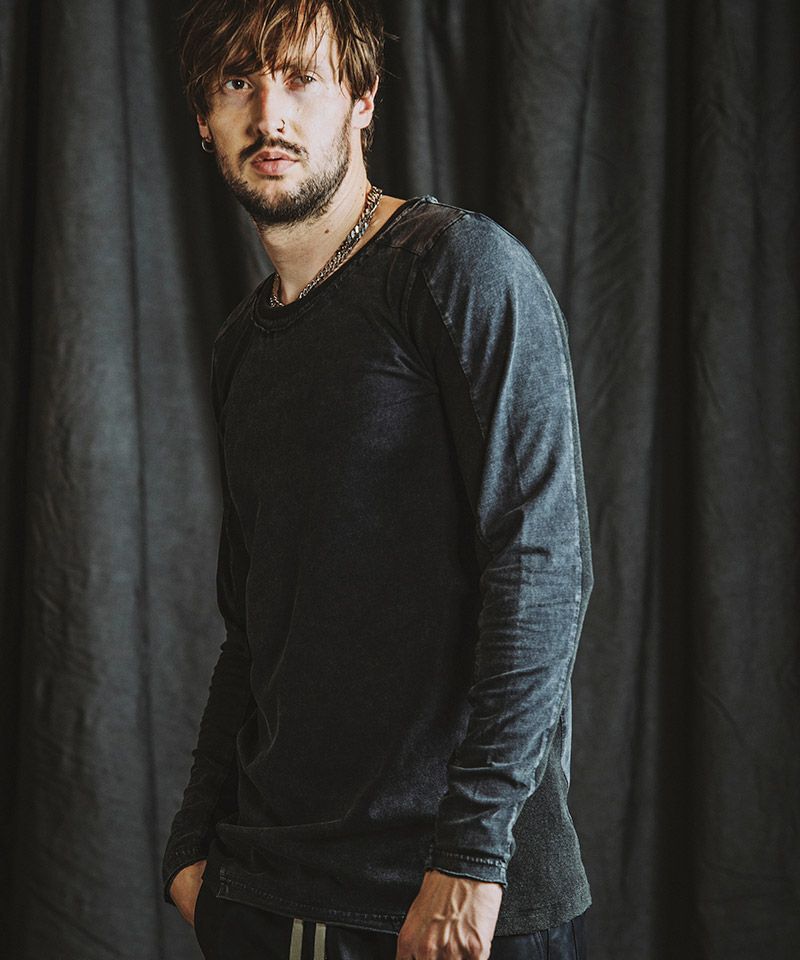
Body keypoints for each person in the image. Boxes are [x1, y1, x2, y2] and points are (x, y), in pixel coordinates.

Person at [161, 2, 595, 958]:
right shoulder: (242, 347)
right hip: (268, 891)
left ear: (362, 99)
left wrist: (472, 861)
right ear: (203, 118)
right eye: (237, 82)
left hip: (450, 904)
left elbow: (542, 569)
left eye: (301, 78)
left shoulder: (456, 268)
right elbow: (255, 624)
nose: (268, 112)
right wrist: (193, 845)